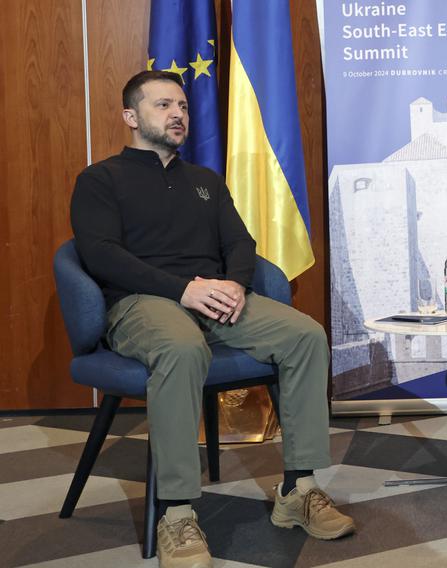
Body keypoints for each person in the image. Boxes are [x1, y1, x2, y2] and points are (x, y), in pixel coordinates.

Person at [71, 70, 355, 568]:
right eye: (163, 106)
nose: (178, 114)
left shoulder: (204, 180)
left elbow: (239, 243)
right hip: (143, 302)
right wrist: (184, 289)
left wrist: (235, 284)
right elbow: (100, 256)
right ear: (131, 117)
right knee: (182, 349)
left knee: (306, 335)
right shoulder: (100, 179)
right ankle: (177, 512)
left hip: (217, 300)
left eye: (181, 105)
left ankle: (299, 488)